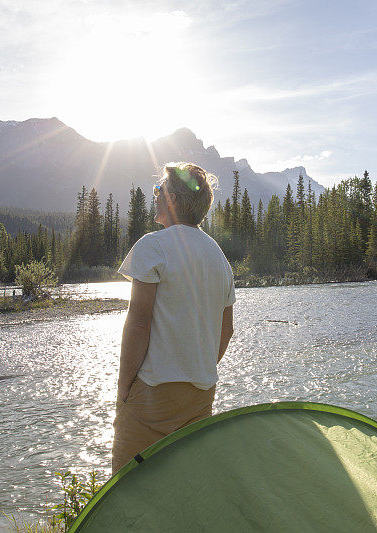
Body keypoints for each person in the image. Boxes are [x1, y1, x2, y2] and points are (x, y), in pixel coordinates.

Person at [112, 162, 235, 474]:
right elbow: (227, 329)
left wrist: (124, 389)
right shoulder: (218, 256)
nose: (154, 196)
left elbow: (138, 323)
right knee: (184, 487)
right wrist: (199, 367)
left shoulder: (153, 246)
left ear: (174, 201)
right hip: (201, 394)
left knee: (127, 491)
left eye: (159, 190)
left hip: (152, 394)